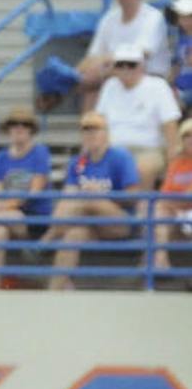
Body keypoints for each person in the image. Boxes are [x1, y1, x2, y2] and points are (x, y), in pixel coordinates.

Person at [42, 111, 142, 291]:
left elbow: (133, 197)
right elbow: (68, 196)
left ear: (106, 133)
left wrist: (103, 194)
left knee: (90, 198)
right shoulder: (78, 162)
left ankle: (49, 236)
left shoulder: (120, 157)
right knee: (73, 235)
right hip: (87, 222)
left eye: (95, 129)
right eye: (86, 130)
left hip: (118, 222)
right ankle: (55, 291)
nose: (90, 134)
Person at [0, 105, 54, 289]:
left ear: (31, 130)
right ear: (8, 129)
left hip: (35, 218)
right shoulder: (1, 157)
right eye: (14, 124)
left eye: (24, 124)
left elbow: (35, 191)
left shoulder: (40, 153)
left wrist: (0, 207)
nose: (19, 128)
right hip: (7, 216)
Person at [94, 45, 181, 189]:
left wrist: (173, 161)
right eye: (120, 65)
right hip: (112, 149)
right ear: (114, 68)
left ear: (142, 67)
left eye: (131, 64)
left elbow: (170, 125)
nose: (125, 69)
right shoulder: (110, 86)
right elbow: (99, 121)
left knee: (142, 168)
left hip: (148, 150)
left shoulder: (158, 86)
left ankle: (140, 208)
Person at [152, 118, 192, 278]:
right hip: (178, 212)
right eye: (187, 136)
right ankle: (160, 262)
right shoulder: (177, 162)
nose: (190, 140)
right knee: (159, 210)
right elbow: (165, 195)